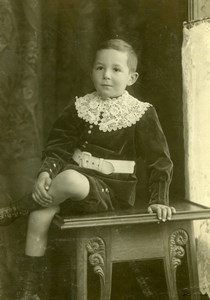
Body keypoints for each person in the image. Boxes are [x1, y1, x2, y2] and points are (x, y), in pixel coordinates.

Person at [0, 38, 176, 299]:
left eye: (116, 69)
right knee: (41, 215)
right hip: (71, 188)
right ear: (92, 70)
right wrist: (45, 173)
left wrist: (158, 199)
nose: (106, 75)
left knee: (69, 178)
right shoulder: (80, 106)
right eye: (99, 68)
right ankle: (29, 290)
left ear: (132, 77)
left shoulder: (141, 113)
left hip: (112, 192)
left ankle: (19, 207)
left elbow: (160, 160)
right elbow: (58, 145)